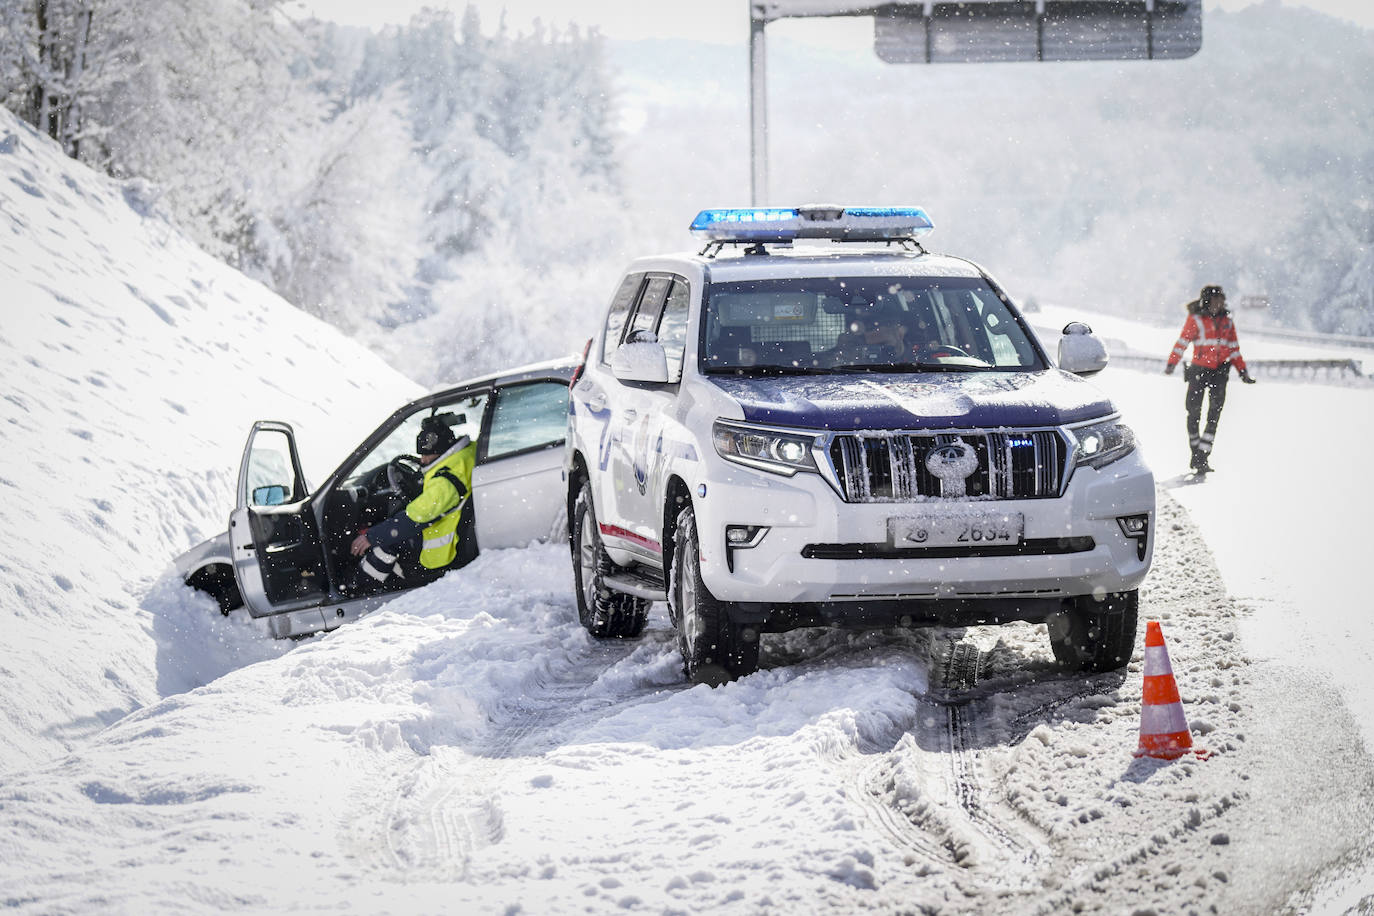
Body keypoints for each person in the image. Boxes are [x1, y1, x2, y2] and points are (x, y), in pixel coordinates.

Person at [345, 415, 476, 594]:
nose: (422, 460)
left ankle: (360, 590)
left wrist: (370, 537)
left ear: (442, 450)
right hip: (452, 530)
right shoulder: (466, 455)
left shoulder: (444, 482)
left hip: (442, 552)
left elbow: (415, 517)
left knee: (386, 544)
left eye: (426, 454)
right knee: (391, 533)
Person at [1164, 284, 1256, 473]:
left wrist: (1243, 372)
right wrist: (1172, 363)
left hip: (1220, 373)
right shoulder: (1196, 319)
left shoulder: (1227, 322)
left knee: (1214, 415)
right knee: (1193, 413)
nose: (1219, 304)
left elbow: (1234, 349)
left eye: (1221, 300)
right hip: (1199, 371)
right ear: (1207, 301)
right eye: (1216, 300)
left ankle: (1203, 457)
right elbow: (1183, 342)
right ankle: (1195, 451)